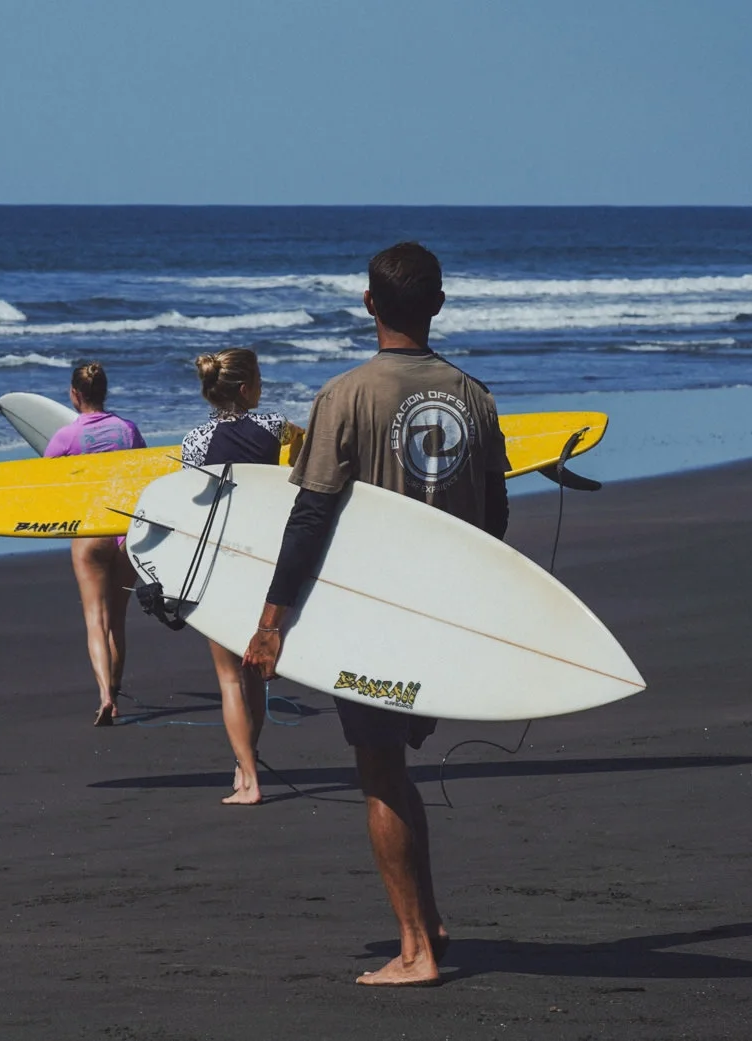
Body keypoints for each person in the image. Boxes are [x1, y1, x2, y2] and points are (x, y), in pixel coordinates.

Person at [243, 243, 508, 985]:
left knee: (379, 771)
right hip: (445, 616)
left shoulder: (346, 395)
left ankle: (417, 951)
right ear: (439, 303)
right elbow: (496, 519)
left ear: (368, 304)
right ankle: (431, 921)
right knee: (392, 767)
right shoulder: (475, 396)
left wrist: (272, 622)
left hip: (374, 617)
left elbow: (310, 516)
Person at [179, 348, 289, 805]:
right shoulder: (274, 426)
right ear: (245, 389)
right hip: (266, 560)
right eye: (259, 379)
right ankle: (247, 763)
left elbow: (191, 505)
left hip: (220, 564)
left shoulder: (195, 442)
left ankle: (248, 778)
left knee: (227, 679)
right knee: (254, 674)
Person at [44, 362, 146, 726]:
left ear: (74, 394)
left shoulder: (66, 437)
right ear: (104, 391)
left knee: (95, 620)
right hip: (124, 534)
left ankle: (103, 696)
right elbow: (141, 477)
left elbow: (48, 485)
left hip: (89, 534)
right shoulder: (128, 430)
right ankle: (116, 695)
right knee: (117, 620)